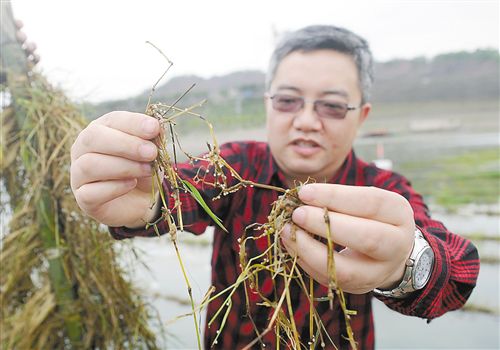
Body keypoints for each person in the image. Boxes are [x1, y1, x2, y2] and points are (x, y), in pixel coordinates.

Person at [70, 25, 479, 349]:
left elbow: (456, 273)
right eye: (287, 100)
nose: (305, 120)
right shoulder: (237, 166)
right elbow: (179, 193)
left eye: (333, 106)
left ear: (362, 115)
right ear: (268, 103)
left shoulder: (381, 189)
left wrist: (408, 264)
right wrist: (147, 199)